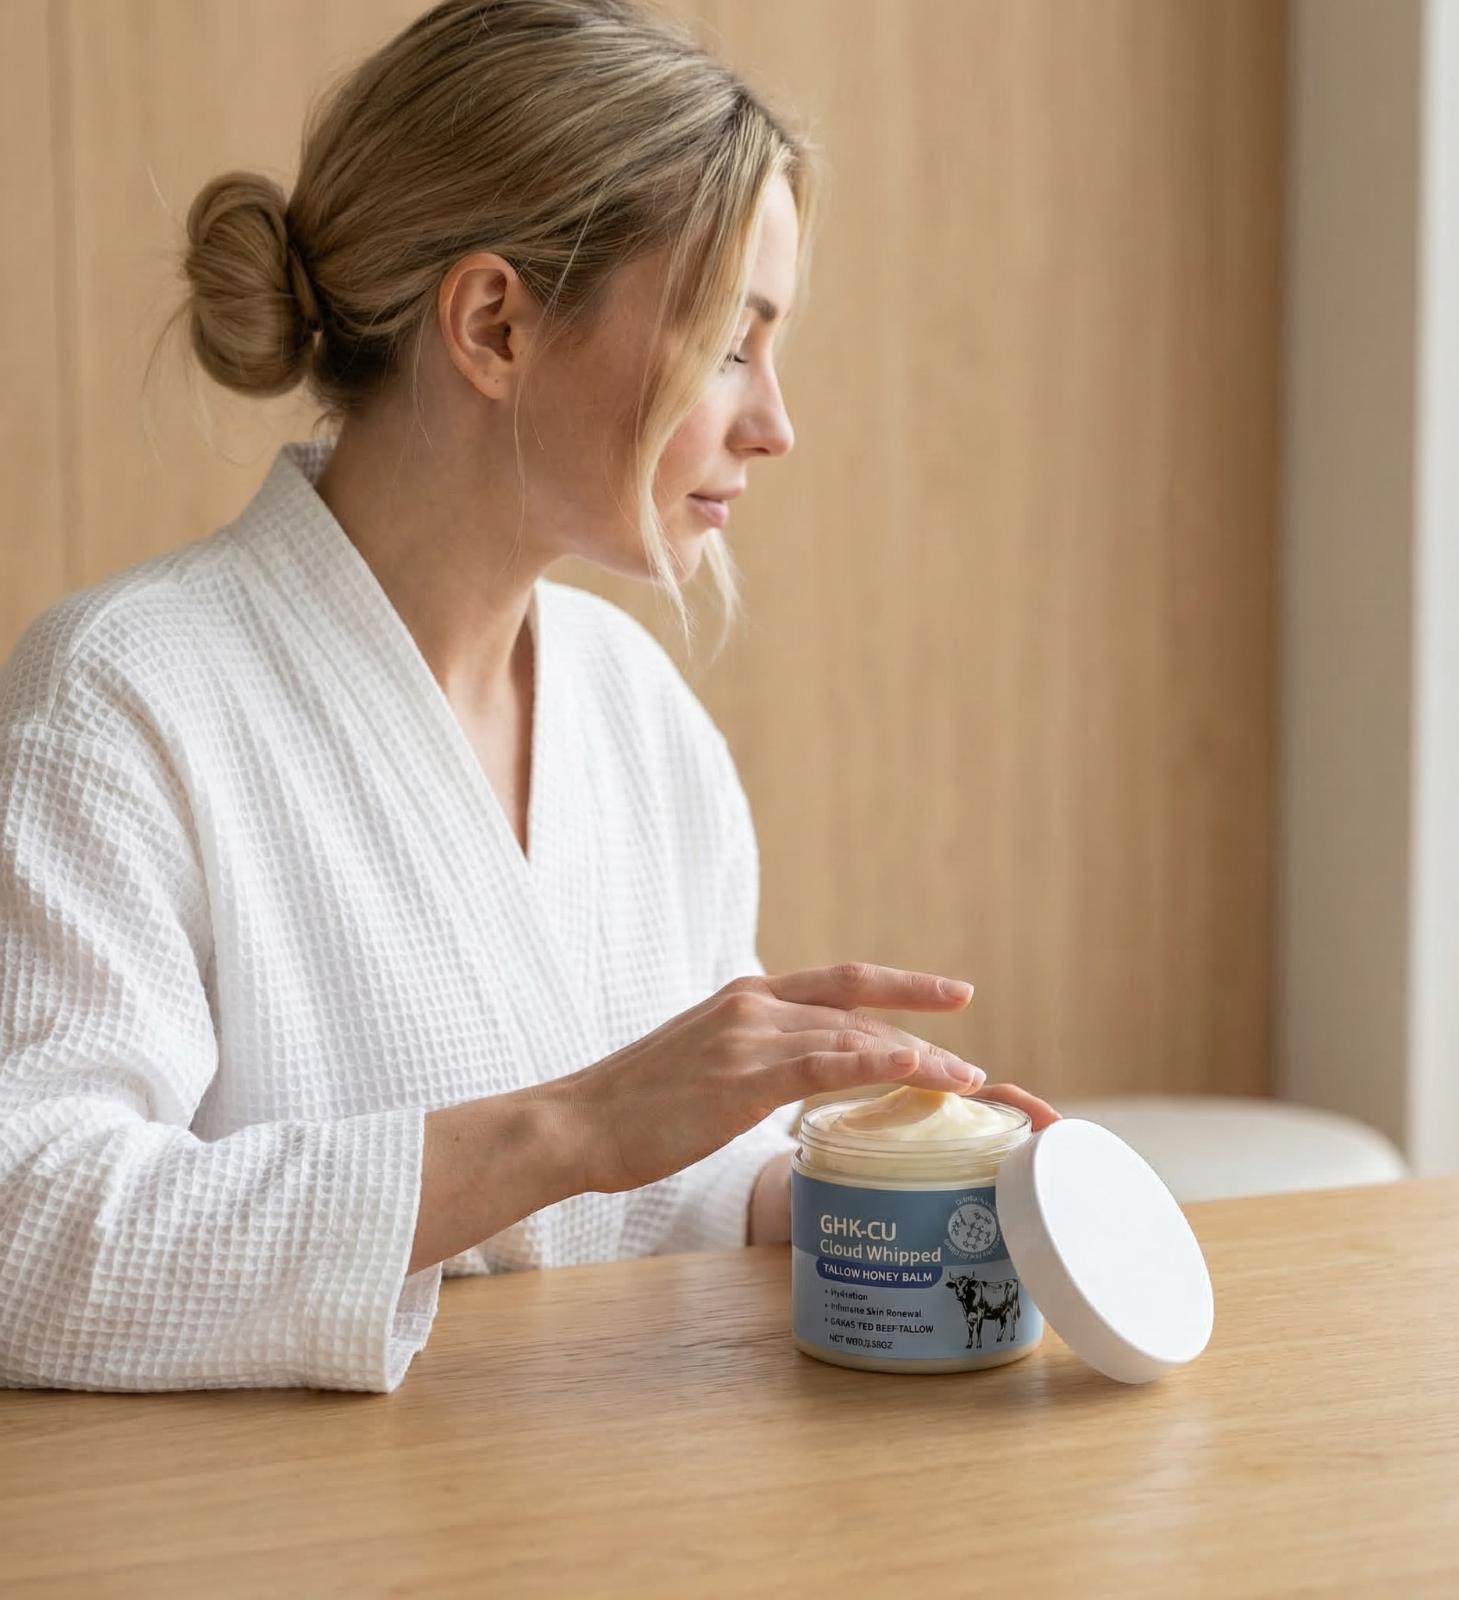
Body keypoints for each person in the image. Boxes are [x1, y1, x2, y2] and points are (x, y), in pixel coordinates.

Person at [0, 0, 1057, 1394]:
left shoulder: (634, 710)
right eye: (728, 343)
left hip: (592, 1488)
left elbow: (650, 1193)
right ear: (494, 324)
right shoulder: (122, 698)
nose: (775, 424)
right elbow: (30, 1235)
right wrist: (568, 1130)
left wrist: (887, 1196)